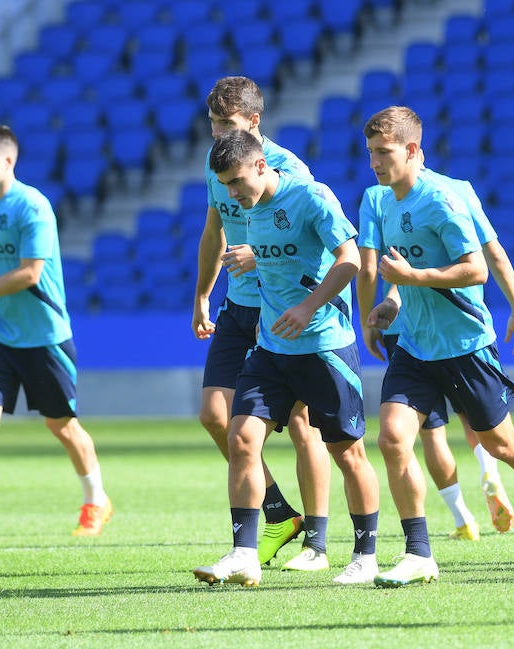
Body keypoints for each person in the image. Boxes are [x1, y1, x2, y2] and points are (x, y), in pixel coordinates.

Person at [362, 106, 514, 587]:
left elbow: (477, 267)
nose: (374, 162)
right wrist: (392, 303)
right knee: (393, 438)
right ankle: (418, 553)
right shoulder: (383, 201)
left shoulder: (443, 199)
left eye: (384, 152)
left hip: (464, 345)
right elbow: (403, 271)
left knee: (504, 446)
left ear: (412, 150)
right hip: (415, 345)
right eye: (370, 152)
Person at [192, 129, 380, 587]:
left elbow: (350, 259)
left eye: (236, 182)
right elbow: (280, 261)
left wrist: (307, 307)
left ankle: (365, 555)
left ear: (261, 166)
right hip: (271, 348)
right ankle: (244, 554)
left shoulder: (311, 197)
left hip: (323, 345)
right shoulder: (250, 207)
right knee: (241, 437)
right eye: (224, 185)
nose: (231, 195)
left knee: (347, 452)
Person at [0, 125, 112, 540]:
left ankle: (96, 501)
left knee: (61, 425)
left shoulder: (33, 206)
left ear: (8, 160)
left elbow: (30, 273)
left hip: (44, 336)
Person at [192, 76, 323, 567]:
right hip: (238, 307)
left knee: (303, 423)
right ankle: (278, 512)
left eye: (225, 122)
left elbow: (316, 244)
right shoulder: (217, 166)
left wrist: (262, 256)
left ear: (253, 121)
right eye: (212, 123)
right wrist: (202, 294)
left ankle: (316, 542)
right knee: (214, 415)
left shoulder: (290, 169)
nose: (216, 132)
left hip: (281, 308)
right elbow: (214, 231)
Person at [356, 164, 514, 541]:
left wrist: (368, 319)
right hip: (462, 326)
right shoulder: (459, 187)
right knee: (478, 420)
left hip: (408, 329)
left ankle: (462, 518)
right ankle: (490, 472)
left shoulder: (377, 197)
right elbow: (493, 252)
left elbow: (370, 267)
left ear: (410, 150)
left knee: (431, 432)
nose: (376, 161)